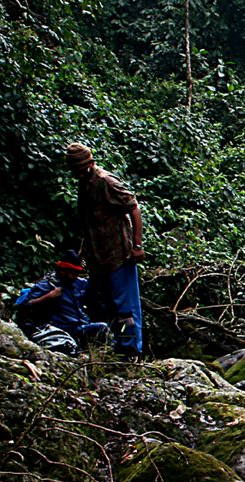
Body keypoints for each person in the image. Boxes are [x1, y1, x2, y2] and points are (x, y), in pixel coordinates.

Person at [66, 142, 145, 358]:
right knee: (101, 303)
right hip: (97, 257)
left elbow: (134, 208)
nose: (78, 174)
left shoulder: (105, 182)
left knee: (125, 308)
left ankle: (131, 352)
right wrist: (83, 249)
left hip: (119, 255)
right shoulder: (84, 184)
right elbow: (89, 221)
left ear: (90, 164)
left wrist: (137, 246)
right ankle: (115, 346)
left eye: (81, 169)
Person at [14, 250, 110, 352]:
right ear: (61, 270)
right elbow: (24, 307)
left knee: (104, 327)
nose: (73, 276)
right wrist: (49, 296)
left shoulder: (78, 284)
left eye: (75, 273)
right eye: (70, 272)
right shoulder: (47, 285)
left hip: (81, 325)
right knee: (101, 328)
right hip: (62, 329)